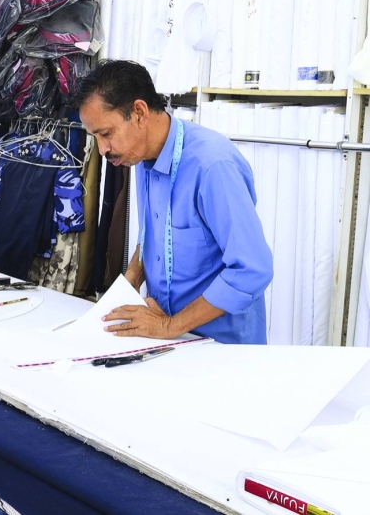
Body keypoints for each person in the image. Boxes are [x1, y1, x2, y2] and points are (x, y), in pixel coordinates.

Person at [73, 60, 273, 344]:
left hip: (222, 349)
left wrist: (169, 326)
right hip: (170, 338)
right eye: (96, 137)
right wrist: (132, 277)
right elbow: (157, 233)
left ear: (139, 113)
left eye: (106, 134)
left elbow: (252, 269)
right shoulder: (141, 157)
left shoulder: (212, 166)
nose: (103, 149)